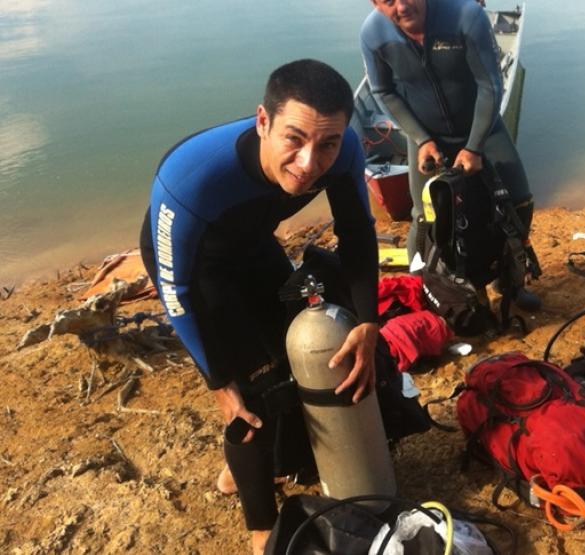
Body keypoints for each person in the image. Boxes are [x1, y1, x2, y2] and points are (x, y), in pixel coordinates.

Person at [138, 59, 379, 554]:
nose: (309, 163)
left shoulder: (346, 150)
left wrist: (369, 322)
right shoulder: (191, 177)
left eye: (327, 144)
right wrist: (218, 381)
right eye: (295, 139)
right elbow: (176, 290)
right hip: (198, 270)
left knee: (290, 357)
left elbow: (358, 234)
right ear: (263, 121)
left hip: (253, 247)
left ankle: (241, 471)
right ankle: (261, 528)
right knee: (248, 396)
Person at [360, 0, 541, 311]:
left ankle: (509, 282)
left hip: (483, 128)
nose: (402, 7)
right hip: (425, 135)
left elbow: (490, 84)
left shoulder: (465, 16)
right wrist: (422, 139)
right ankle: (431, 290)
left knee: (519, 201)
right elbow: (383, 92)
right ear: (374, 3)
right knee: (423, 217)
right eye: (388, 1)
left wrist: (474, 146)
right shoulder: (373, 34)